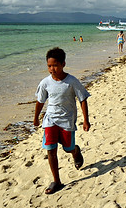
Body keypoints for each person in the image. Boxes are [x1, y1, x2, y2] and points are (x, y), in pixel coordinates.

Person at [33, 47, 91, 195]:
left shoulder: (71, 81)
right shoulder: (45, 82)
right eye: (49, 66)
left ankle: (76, 151)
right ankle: (57, 181)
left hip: (67, 120)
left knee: (67, 148)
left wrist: (86, 120)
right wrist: (36, 118)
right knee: (51, 150)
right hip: (50, 120)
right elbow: (40, 101)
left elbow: (82, 99)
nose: (52, 69)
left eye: (55, 65)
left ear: (63, 64)